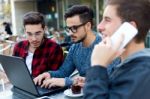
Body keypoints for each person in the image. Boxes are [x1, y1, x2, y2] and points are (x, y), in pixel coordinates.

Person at [34, 5, 120, 88]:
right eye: (69, 29)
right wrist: (48, 74)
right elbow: (64, 72)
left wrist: (67, 82)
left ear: (88, 26)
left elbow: (107, 82)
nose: (70, 33)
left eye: (74, 28)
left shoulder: (105, 46)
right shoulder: (75, 47)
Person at [83, 0, 150, 99]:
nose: (99, 26)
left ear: (129, 28)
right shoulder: (132, 67)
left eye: (107, 20)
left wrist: (97, 67)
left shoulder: (143, 74)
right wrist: (95, 81)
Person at [13, 11, 64, 77]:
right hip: (20, 84)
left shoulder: (54, 49)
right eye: (29, 34)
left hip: (43, 86)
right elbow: (15, 71)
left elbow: (56, 77)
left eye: (37, 33)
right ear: (25, 31)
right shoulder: (18, 46)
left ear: (44, 29)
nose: (34, 39)